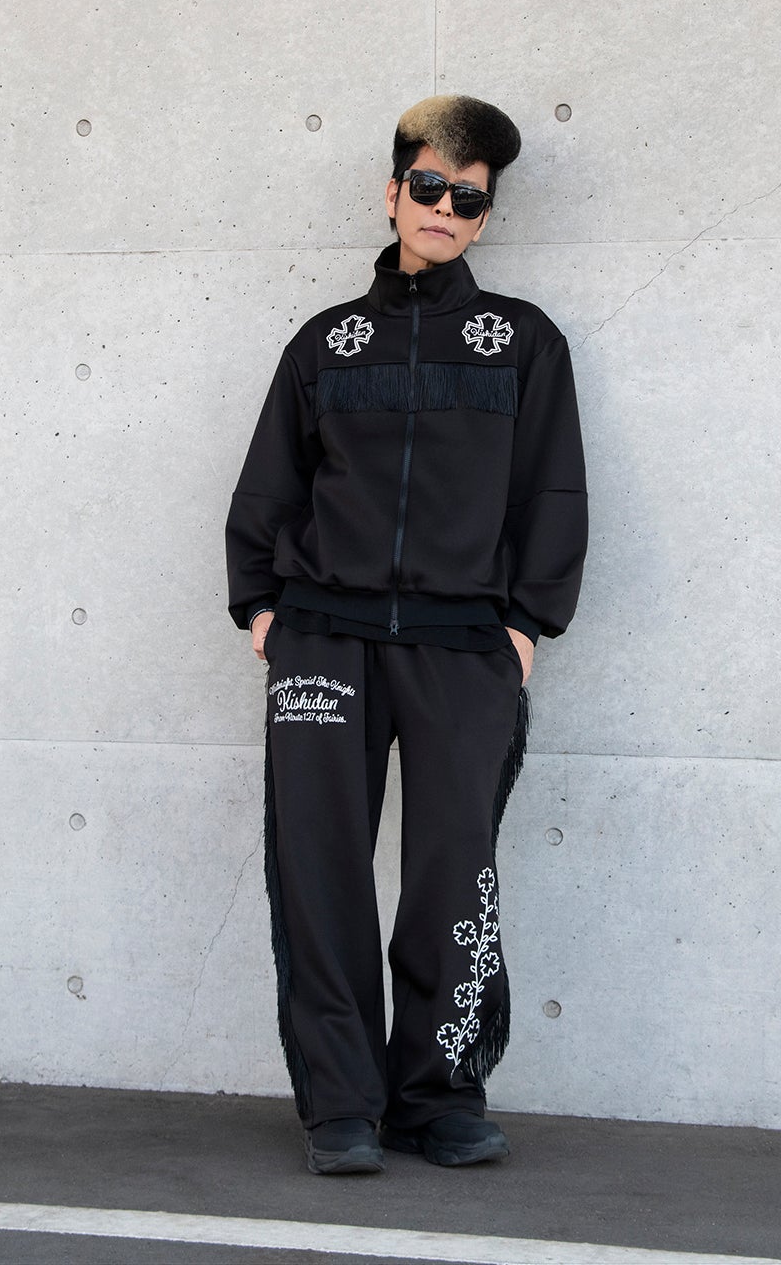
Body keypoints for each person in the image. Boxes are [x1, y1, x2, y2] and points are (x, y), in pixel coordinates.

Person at [224, 95, 588, 1175]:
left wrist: (524, 626)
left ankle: (437, 1095)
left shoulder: (519, 343)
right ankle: (341, 1104)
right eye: (427, 187)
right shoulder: (325, 343)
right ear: (391, 194)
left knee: (450, 873)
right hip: (324, 642)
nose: (443, 209)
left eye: (467, 199)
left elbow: (552, 493)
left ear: (485, 216)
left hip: (463, 648)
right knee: (319, 870)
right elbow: (270, 484)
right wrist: (263, 610)